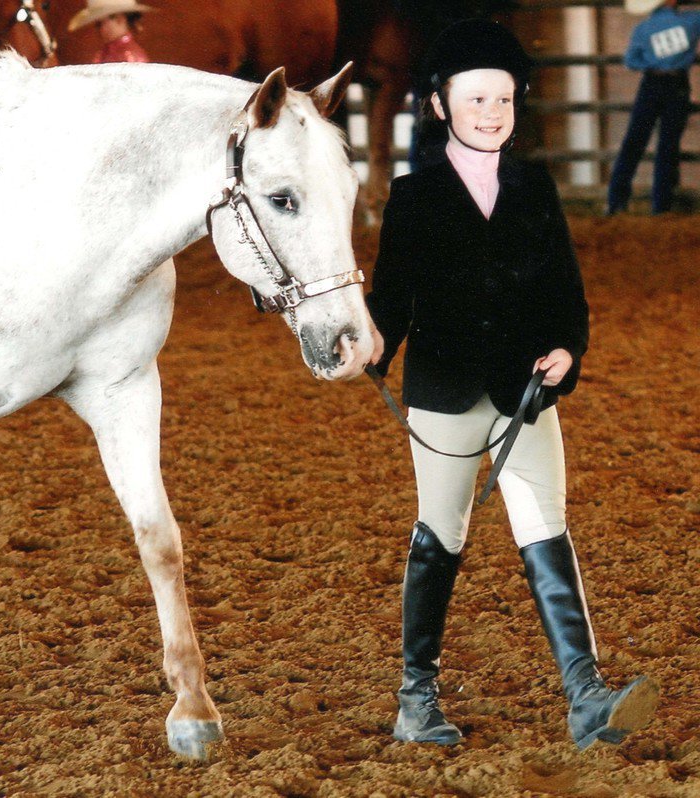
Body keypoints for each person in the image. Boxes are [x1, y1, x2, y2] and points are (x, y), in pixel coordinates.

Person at [366, 18, 659, 749]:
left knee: (548, 533)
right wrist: (367, 347)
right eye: (476, 100)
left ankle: (586, 695)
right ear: (440, 106)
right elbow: (390, 304)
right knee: (441, 536)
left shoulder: (537, 189)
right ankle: (416, 699)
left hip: (524, 392)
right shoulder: (412, 198)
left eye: (503, 100)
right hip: (442, 394)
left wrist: (568, 349)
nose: (492, 113)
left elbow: (567, 295)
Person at [607, 0, 700, 215]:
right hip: (677, 85)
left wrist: (652, 62)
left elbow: (631, 61)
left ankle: (616, 202)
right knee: (668, 145)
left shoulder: (644, 28)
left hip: (651, 84)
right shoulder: (692, 21)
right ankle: (661, 206)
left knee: (634, 141)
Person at [67, 0, 155, 64]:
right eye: (98, 25)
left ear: (120, 19)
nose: (100, 30)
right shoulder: (105, 52)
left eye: (101, 23)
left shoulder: (131, 56)